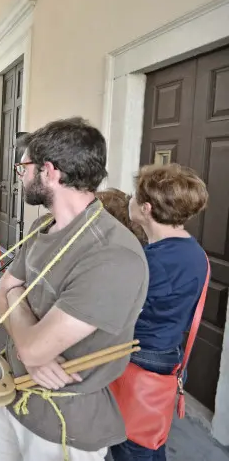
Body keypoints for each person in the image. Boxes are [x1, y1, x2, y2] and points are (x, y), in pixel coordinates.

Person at [0, 117, 148, 461]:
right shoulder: (46, 226)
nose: (20, 174)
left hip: (64, 426)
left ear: (50, 172)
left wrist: (30, 346)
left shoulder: (112, 255)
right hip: (9, 396)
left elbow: (32, 343)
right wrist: (30, 351)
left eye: (24, 166)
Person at [110, 164, 209, 461]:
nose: (128, 200)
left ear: (146, 208)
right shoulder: (194, 252)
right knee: (149, 439)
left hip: (139, 358)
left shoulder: (149, 261)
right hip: (168, 355)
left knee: (130, 444)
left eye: (133, 196)